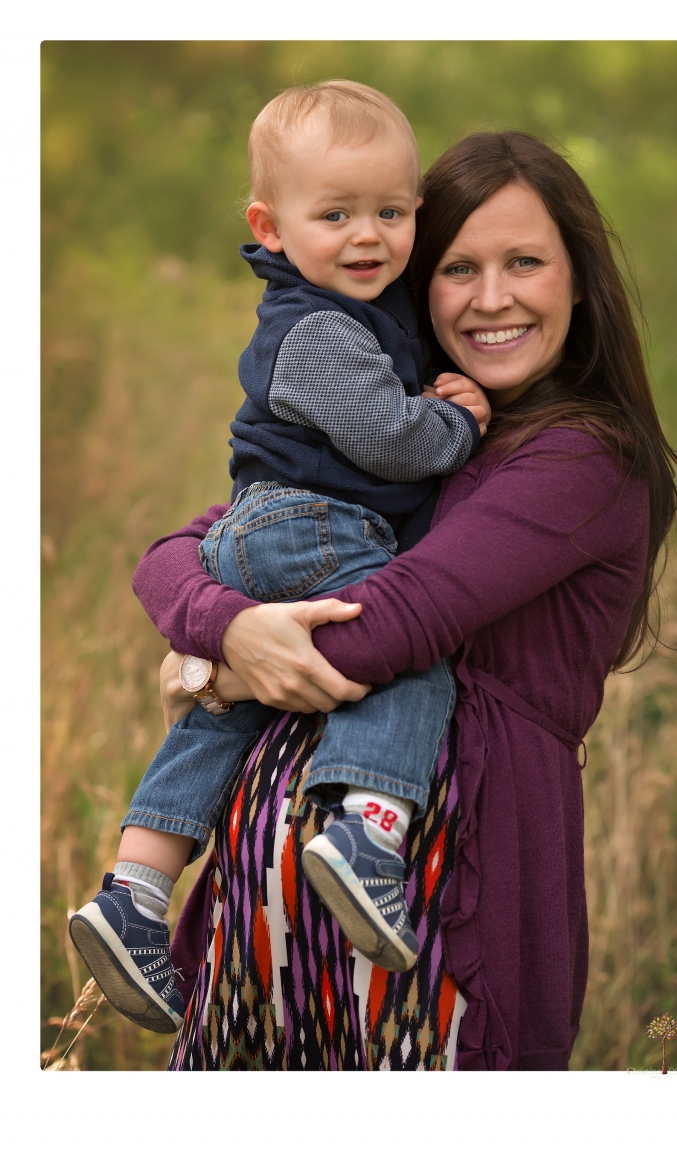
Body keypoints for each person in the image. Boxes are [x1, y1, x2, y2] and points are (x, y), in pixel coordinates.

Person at [133, 130, 677, 1070]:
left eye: (525, 263)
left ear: (579, 282)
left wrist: (215, 673)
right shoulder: (411, 430)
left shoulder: (580, 458)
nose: (491, 298)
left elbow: (394, 625)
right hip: (259, 926)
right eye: (458, 268)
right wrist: (223, 626)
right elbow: (172, 556)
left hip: (440, 915)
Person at [68, 80, 492, 1034]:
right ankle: (365, 831)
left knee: (228, 709)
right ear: (270, 225)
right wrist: (457, 425)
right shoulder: (318, 330)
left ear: (417, 214)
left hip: (266, 530)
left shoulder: (355, 308)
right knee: (406, 657)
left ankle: (135, 893)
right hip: (314, 528)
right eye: (335, 215)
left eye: (391, 213)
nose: (367, 236)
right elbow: (388, 439)